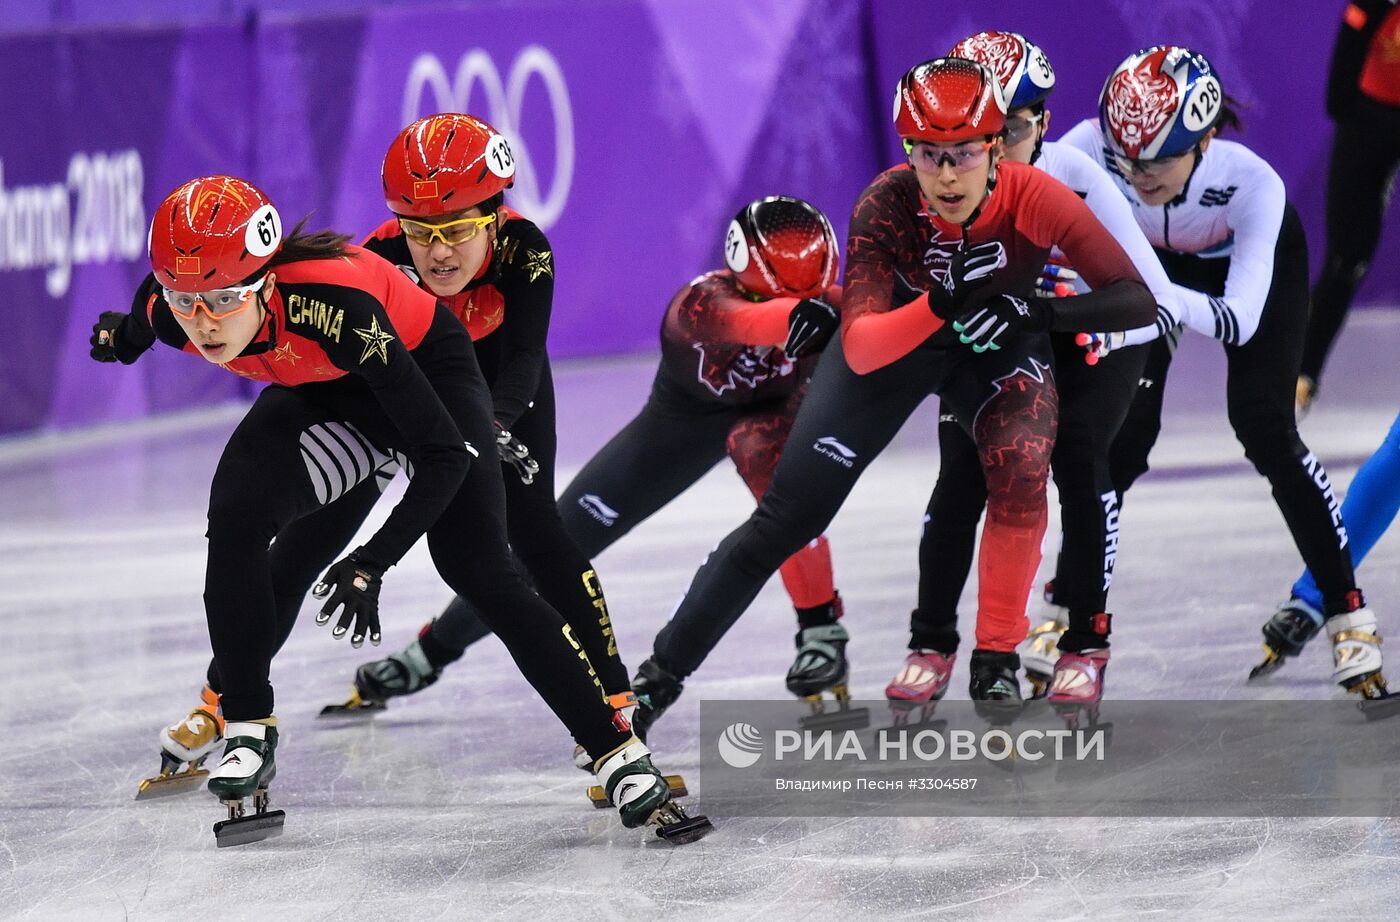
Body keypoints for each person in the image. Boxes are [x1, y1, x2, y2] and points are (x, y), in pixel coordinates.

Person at [89, 175, 708, 843]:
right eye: (187, 302)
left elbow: (443, 454)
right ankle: (245, 723)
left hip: (426, 380)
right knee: (239, 522)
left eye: (224, 301)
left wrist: (373, 561)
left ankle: (618, 752)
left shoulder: (337, 311)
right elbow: (144, 318)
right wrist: (121, 338)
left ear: (266, 283)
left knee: (478, 567)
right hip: (324, 392)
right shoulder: (169, 310)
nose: (204, 322)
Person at [627, 57, 1157, 736]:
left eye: (964, 153)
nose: (945, 174)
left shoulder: (1033, 197)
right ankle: (654, 682)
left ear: (995, 147)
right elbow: (864, 345)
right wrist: (942, 300)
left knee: (1022, 465)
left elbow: (1134, 297)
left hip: (997, 344)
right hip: (898, 346)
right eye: (928, 155)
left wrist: (1039, 316)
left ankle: (995, 652)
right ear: (907, 153)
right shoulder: (887, 202)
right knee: (786, 518)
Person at [351, 195, 852, 726]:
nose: (805, 309)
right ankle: (431, 651)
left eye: (812, 295)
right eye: (777, 294)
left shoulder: (834, 300)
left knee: (779, 487)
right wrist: (803, 312)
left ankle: (818, 629)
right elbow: (749, 322)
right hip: (681, 426)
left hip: (772, 420)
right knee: (550, 547)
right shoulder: (699, 306)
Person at [308, 114, 637, 773]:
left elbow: (522, 360)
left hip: (502, 384)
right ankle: (230, 697)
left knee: (537, 531)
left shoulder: (526, 250)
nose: (438, 253)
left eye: (458, 230)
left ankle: (617, 699)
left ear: (494, 217)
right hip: (423, 386)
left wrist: (490, 426)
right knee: (327, 526)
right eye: (420, 232)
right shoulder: (378, 258)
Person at [1062, 46, 1386, 701]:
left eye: (1156, 161)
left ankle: (1348, 612)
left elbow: (1238, 318)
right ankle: (1068, 605)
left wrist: (1142, 296)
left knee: (1265, 426)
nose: (1136, 174)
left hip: (1237, 276)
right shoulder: (1086, 148)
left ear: (1205, 140)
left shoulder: (1252, 184)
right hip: (1152, 273)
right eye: (1123, 159)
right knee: (1117, 438)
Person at [889, 31, 1180, 720]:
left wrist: (1054, 310)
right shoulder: (947, 178)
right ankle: (932, 642)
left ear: (1043, 124)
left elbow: (1150, 297)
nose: (988, 149)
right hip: (1008, 340)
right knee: (960, 471)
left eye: (1010, 129)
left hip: (1094, 341)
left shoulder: (1075, 177)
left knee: (1079, 458)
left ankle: (1086, 640)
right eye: (975, 134)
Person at [1297, 0, 1400, 415]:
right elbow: (1339, 89)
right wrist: (1358, 117)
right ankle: (1302, 375)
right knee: (1347, 256)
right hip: (1369, 120)